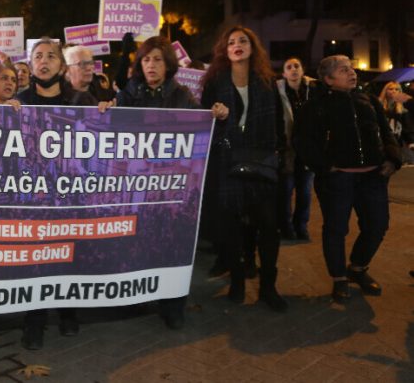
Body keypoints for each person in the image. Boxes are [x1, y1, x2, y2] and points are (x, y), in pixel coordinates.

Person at [101, 35, 199, 329]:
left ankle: (173, 304)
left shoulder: (182, 96)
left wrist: (215, 115)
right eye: (146, 59)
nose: (151, 65)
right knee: (137, 243)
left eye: (157, 59)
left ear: (168, 64)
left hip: (171, 187)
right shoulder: (128, 95)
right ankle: (135, 297)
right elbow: (114, 130)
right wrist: (106, 110)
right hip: (138, 186)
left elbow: (199, 129)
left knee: (171, 246)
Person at [295, 55, 403, 303]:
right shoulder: (314, 106)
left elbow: (386, 132)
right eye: (344, 70)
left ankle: (358, 268)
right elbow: (302, 141)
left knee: (377, 225)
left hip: (373, 177)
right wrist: (326, 167)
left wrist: (392, 159)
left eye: (351, 68)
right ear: (328, 79)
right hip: (337, 180)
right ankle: (339, 278)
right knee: (336, 229)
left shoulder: (369, 100)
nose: (352, 72)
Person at [200, 26, 287, 313]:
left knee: (269, 226)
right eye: (231, 42)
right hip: (227, 162)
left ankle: (268, 287)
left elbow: (278, 121)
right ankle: (237, 281)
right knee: (231, 227)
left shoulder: (266, 80)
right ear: (224, 51)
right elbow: (204, 120)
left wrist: (280, 154)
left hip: (261, 161)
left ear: (253, 47)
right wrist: (218, 116)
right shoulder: (215, 81)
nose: (237, 45)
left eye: (243, 41)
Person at [16, 38, 94, 350]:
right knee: (36, 256)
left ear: (61, 66)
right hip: (33, 195)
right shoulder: (19, 101)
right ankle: (34, 320)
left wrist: (106, 113)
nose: (44, 61)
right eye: (38, 56)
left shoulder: (81, 100)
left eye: (51, 56)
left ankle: (68, 312)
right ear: (31, 65)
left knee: (68, 251)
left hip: (69, 194)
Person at [276, 57, 316, 240]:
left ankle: (301, 226)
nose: (293, 69)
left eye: (296, 66)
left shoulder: (312, 90)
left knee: (305, 192)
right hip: (287, 149)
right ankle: (286, 228)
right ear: (284, 73)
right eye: (289, 67)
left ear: (302, 70)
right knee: (285, 192)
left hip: (307, 149)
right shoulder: (278, 92)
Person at [378, 81, 414, 158]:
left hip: (397, 143)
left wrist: (411, 142)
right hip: (382, 143)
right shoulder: (378, 107)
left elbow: (407, 128)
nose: (394, 91)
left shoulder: (403, 109)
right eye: (391, 89)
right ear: (385, 91)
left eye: (397, 89)